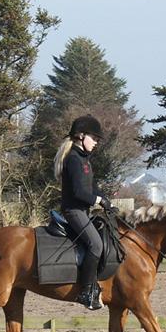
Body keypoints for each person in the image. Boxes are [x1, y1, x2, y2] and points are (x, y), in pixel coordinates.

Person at [54, 114, 111, 310]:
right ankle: (86, 292)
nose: (96, 143)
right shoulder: (73, 159)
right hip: (74, 211)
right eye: (94, 138)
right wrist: (98, 200)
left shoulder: (84, 160)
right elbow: (79, 192)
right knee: (95, 244)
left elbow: (91, 187)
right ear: (80, 135)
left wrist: (105, 200)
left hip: (83, 211)